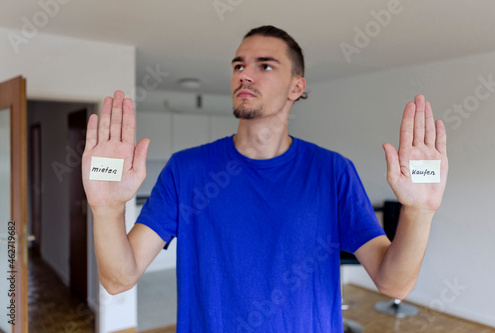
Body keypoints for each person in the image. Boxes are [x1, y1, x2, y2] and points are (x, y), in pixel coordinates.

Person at [82, 25, 448, 332]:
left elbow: (393, 282)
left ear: (296, 87)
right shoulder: (186, 169)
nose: (245, 73)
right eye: (238, 64)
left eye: (265, 66)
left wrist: (419, 212)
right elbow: (118, 279)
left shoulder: (333, 172)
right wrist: (107, 209)